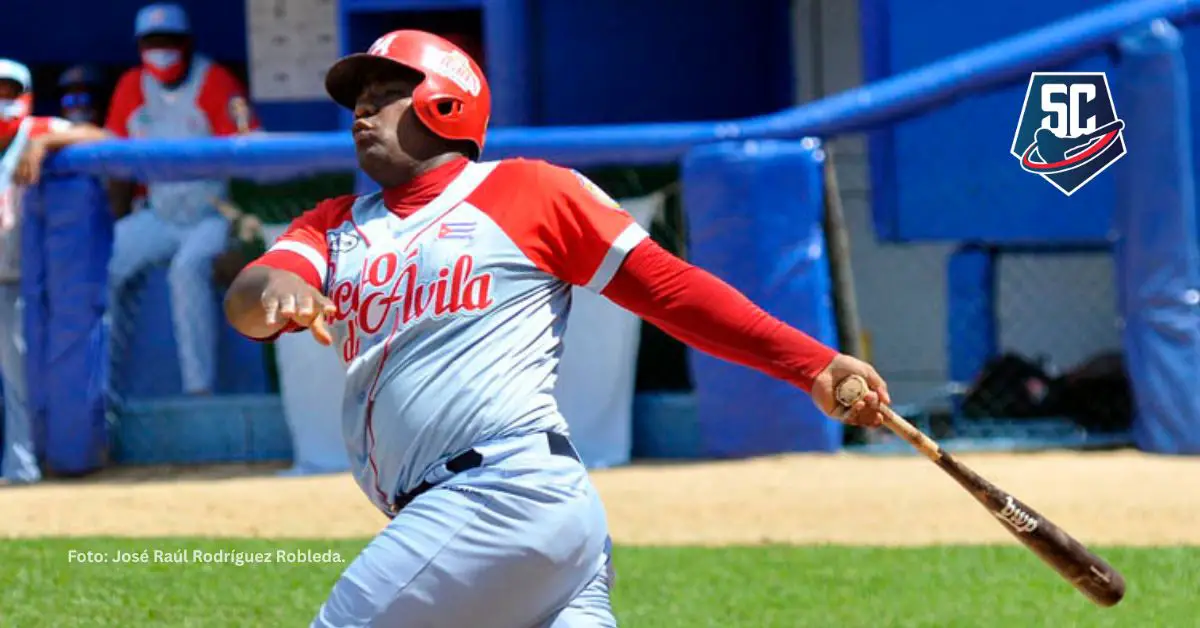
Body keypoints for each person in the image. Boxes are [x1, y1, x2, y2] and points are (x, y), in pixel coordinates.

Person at [224, 30, 891, 627]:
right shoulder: (333, 224)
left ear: (447, 104)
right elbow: (250, 297)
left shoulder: (528, 193)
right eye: (358, 101)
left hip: (497, 495)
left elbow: (673, 291)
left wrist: (812, 363)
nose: (363, 112)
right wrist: (282, 286)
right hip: (518, 521)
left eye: (388, 92)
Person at [104, 2, 259, 397]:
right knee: (104, 266)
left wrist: (243, 238)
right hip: (158, 213)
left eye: (169, 40)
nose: (161, 49)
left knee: (187, 270)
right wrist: (113, 222)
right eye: (152, 42)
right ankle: (102, 391)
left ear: (187, 43)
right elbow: (115, 168)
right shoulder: (130, 87)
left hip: (211, 214)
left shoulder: (215, 80)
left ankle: (199, 390)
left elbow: (252, 157)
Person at [0, 59, 107, 485]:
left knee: (18, 377)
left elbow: (104, 136)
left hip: (25, 276)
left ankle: (22, 466)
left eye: (9, 90)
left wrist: (44, 145)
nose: (2, 100)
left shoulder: (39, 128)